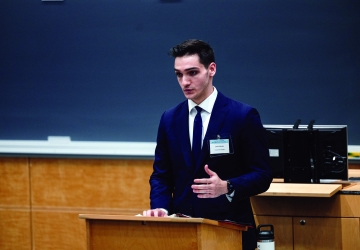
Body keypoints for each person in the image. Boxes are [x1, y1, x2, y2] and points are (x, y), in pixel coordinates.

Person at [143, 39, 272, 249]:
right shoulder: (169, 119)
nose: (185, 82)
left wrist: (227, 186)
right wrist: (161, 208)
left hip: (229, 229)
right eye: (179, 74)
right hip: (182, 230)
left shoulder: (242, 116)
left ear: (211, 69)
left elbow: (263, 174)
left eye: (192, 73)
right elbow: (161, 176)